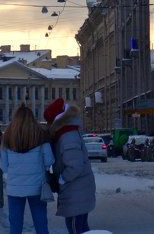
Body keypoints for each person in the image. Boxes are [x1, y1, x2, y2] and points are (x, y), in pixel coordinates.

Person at [0, 103, 55, 234]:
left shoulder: (7, 137)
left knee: (15, 227)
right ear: (32, 119)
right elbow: (49, 160)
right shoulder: (41, 135)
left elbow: (3, 167)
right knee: (41, 224)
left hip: (15, 189)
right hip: (37, 188)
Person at [44, 98, 96, 234]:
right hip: (77, 190)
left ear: (56, 121)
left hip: (75, 191)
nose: (48, 125)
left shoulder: (67, 137)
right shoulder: (67, 134)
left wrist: (61, 179)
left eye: (49, 122)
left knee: (75, 228)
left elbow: (74, 167)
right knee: (82, 228)